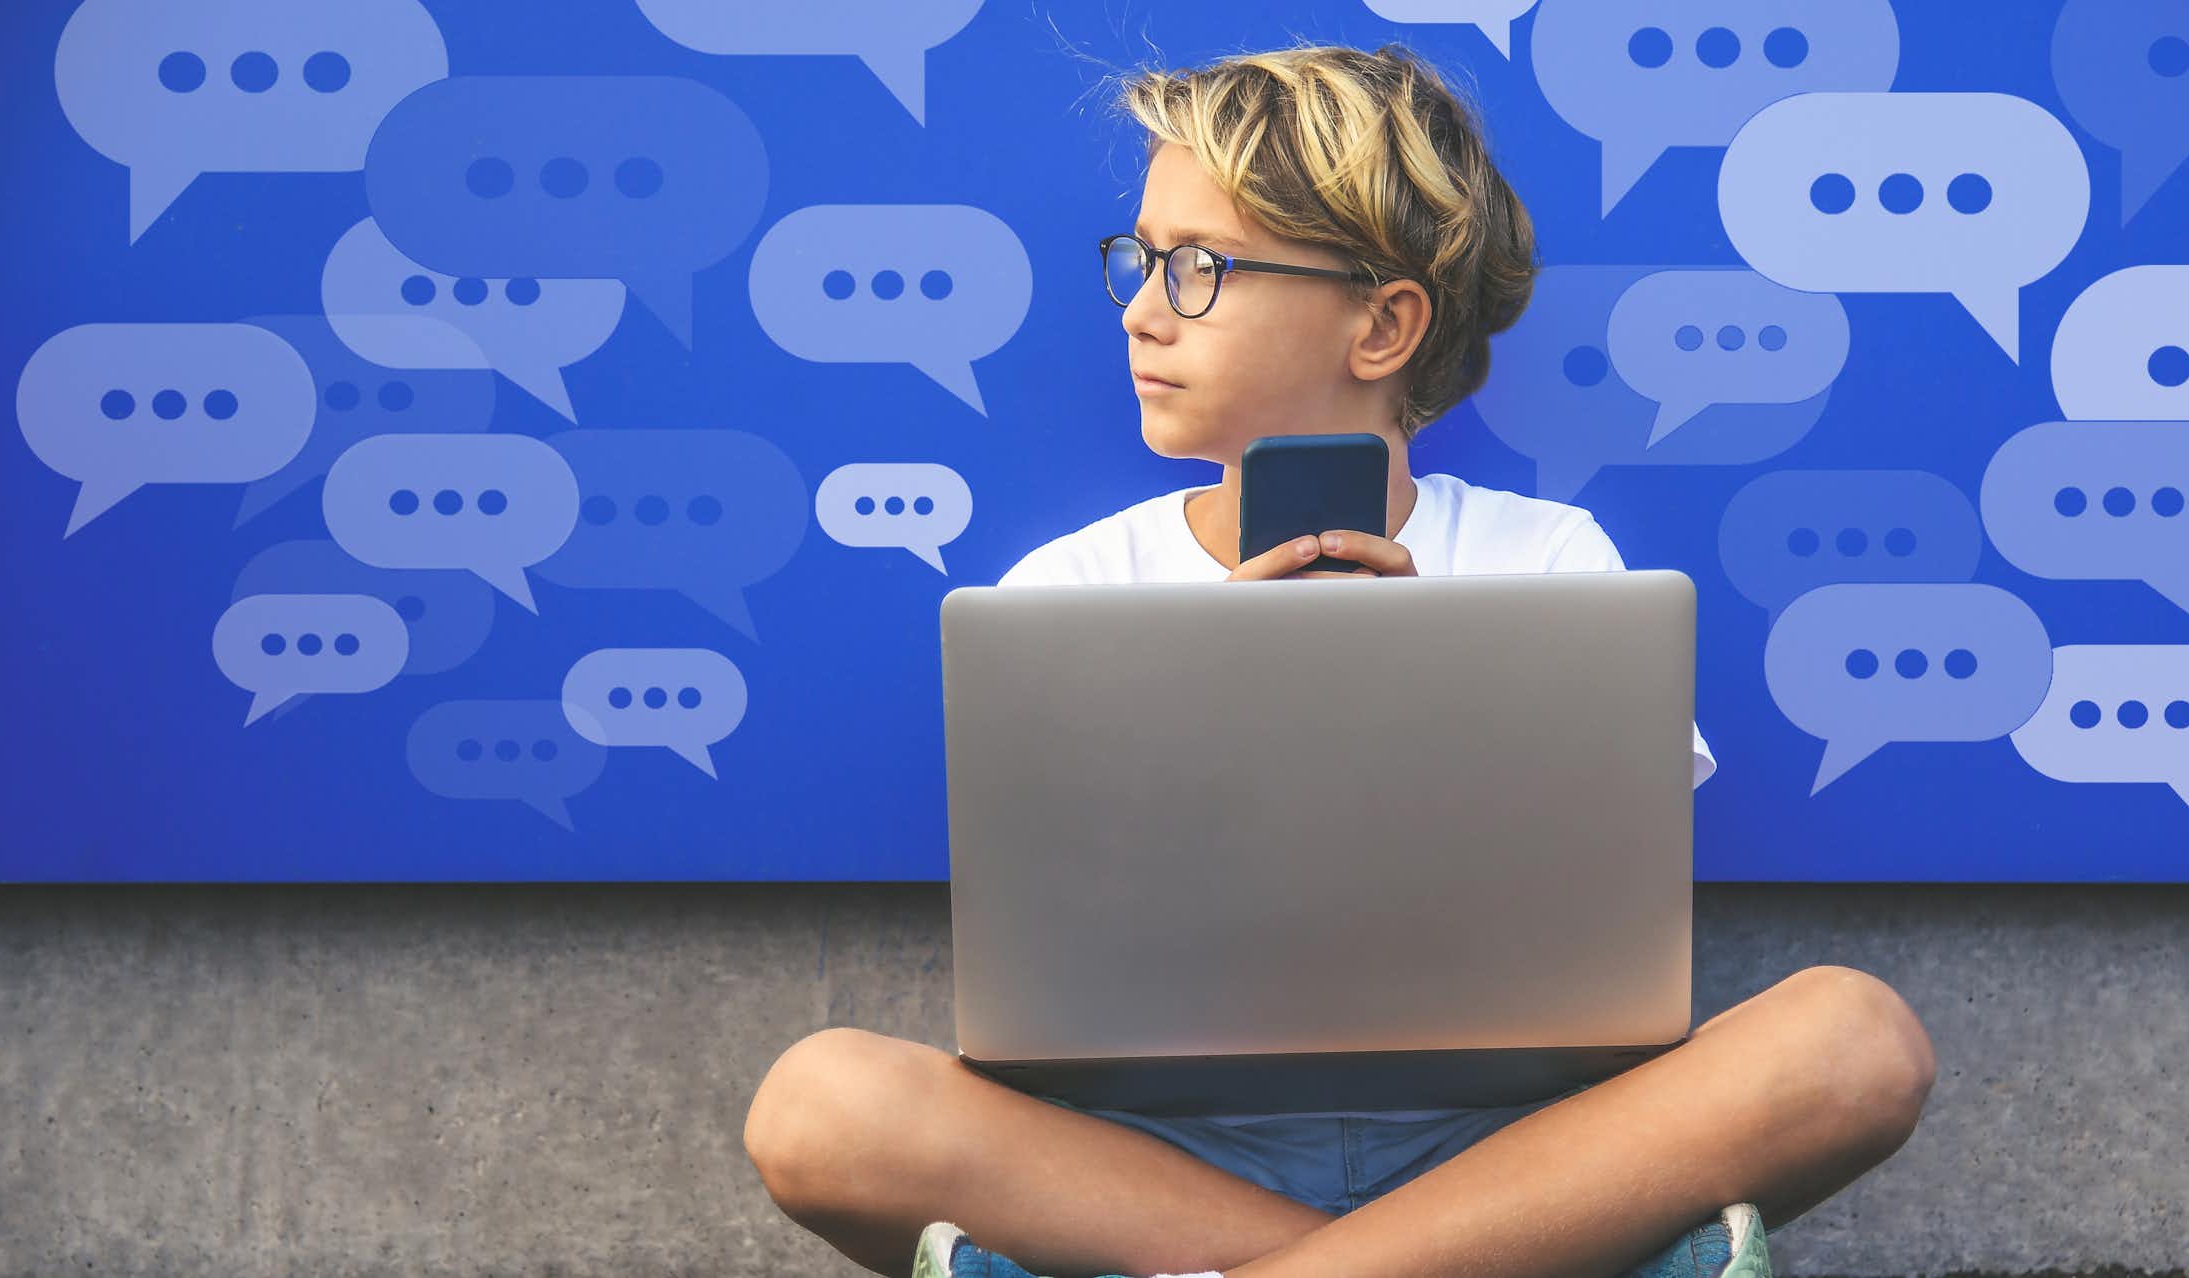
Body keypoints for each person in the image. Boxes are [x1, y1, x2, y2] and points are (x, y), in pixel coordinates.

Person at [744, 42, 1934, 1278]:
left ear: (1382, 323)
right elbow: (1060, 965)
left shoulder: (1547, 560)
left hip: (1513, 1150)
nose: (1143, 311)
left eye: (1199, 268)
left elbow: (1599, 919)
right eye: (1141, 261)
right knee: (817, 1106)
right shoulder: (1063, 593)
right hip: (1157, 1157)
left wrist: (1428, 697)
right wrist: (1209, 705)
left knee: (1853, 1040)